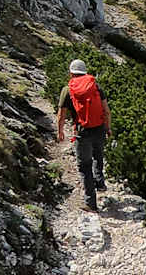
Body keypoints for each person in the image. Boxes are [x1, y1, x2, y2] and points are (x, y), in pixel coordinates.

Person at [56, 59, 110, 211]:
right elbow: (106, 110)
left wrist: (60, 131)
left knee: (84, 166)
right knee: (98, 155)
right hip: (99, 128)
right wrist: (108, 127)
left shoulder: (67, 90)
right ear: (85, 72)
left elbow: (61, 114)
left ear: (71, 73)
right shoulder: (96, 87)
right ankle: (100, 182)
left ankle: (90, 203)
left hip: (82, 131)